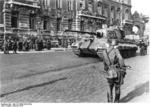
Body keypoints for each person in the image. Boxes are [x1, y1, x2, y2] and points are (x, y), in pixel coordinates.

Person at [102, 39, 126, 103]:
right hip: (116, 71)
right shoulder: (116, 51)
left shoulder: (105, 51)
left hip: (109, 72)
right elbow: (121, 60)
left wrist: (107, 69)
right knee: (117, 87)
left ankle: (109, 102)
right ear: (116, 44)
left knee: (109, 87)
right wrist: (123, 70)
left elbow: (104, 64)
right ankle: (116, 102)